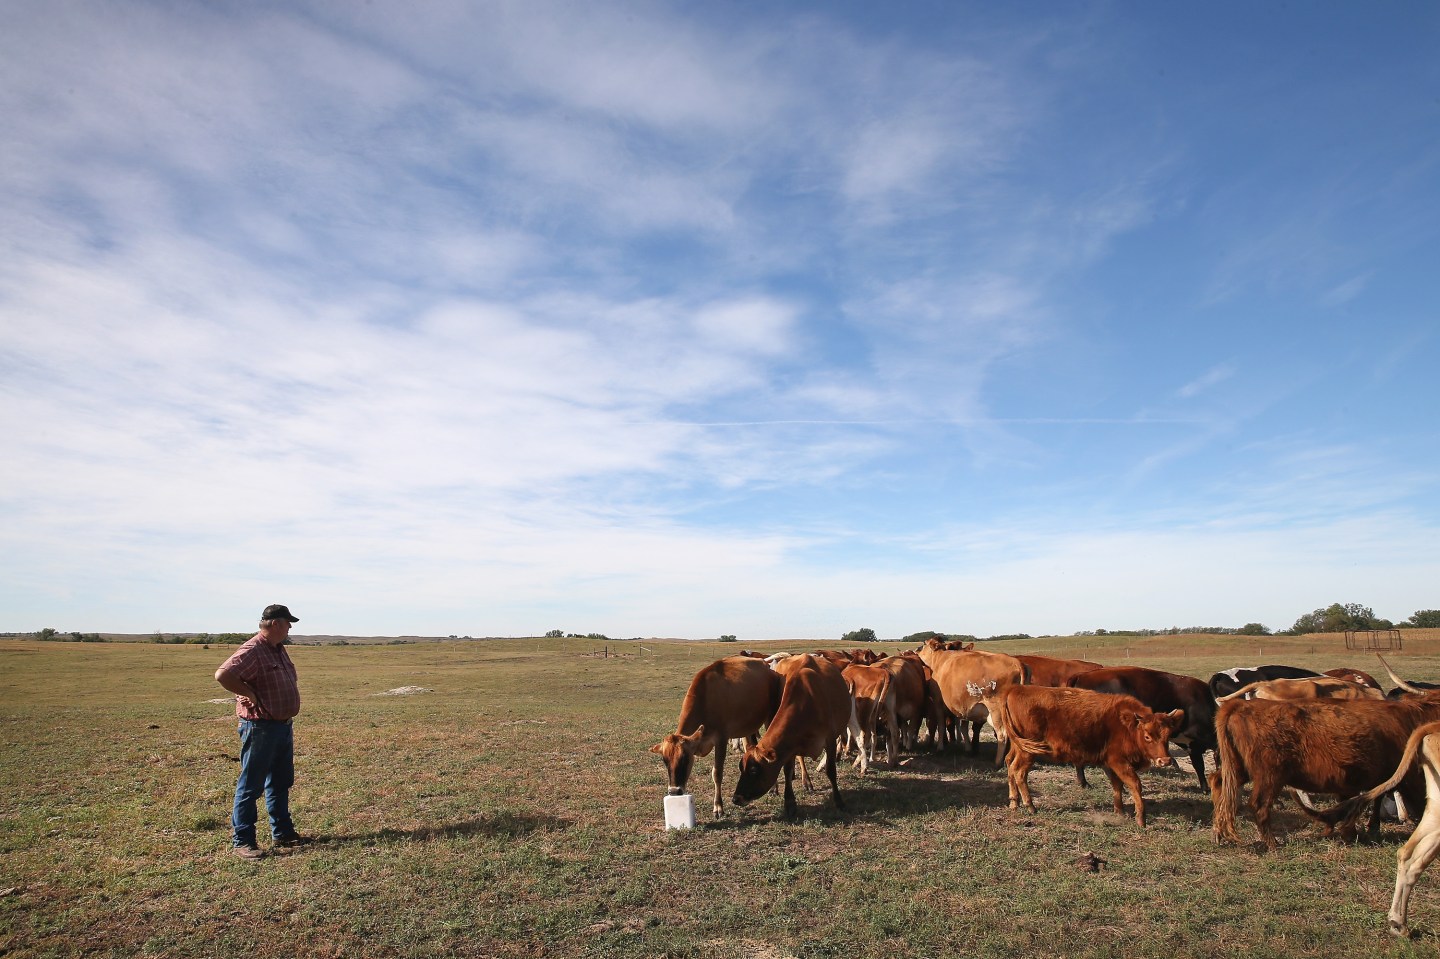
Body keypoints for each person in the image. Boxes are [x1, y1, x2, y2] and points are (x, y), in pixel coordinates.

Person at [214, 604, 310, 859]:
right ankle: (243, 841)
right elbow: (223, 674)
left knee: (280, 782)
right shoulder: (253, 649)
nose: (290, 628)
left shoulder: (277, 649)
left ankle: (283, 833)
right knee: (251, 786)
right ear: (276, 623)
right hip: (260, 727)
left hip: (281, 725)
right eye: (288, 623)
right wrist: (247, 693)